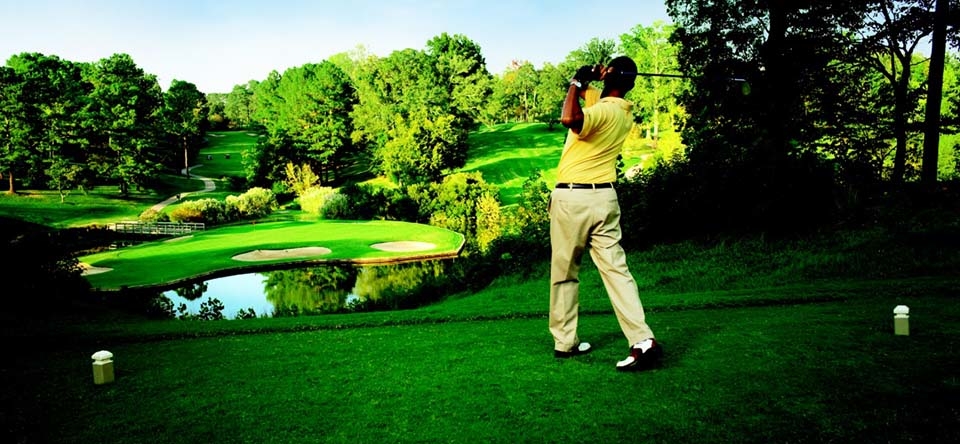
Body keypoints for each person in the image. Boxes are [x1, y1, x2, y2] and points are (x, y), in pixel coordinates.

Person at [549, 56, 662, 371]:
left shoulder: (602, 111)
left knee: (564, 273)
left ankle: (565, 342)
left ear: (611, 76)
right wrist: (587, 81)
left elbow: (569, 118)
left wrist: (575, 81)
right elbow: (590, 98)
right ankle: (642, 339)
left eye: (607, 68)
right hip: (605, 199)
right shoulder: (621, 111)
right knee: (616, 271)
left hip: (573, 199)